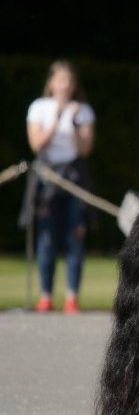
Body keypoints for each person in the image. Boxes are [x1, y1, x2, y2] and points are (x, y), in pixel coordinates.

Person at [22, 60, 95, 314]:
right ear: (51, 82)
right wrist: (58, 115)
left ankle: (72, 296)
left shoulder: (83, 110)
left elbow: (84, 149)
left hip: (73, 177)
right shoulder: (39, 107)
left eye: (69, 81)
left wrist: (74, 121)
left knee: (75, 235)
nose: (65, 85)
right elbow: (37, 144)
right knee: (46, 237)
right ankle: (46, 295)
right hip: (46, 178)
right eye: (60, 80)